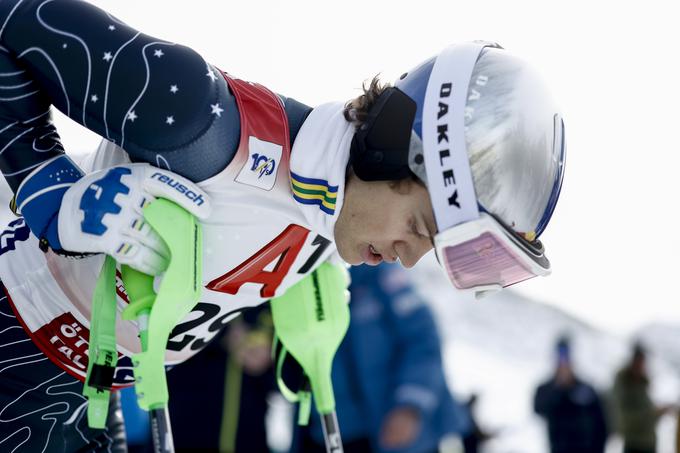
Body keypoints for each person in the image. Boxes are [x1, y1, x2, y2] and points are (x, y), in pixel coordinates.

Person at [0, 0, 566, 450]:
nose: (411, 257)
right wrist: (42, 179)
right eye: (420, 225)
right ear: (389, 146)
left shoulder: (327, 228)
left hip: (83, 402)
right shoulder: (206, 126)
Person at [294, 263, 469, 453]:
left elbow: (423, 341)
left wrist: (410, 404)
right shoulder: (296, 281)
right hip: (333, 430)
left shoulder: (382, 274)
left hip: (396, 427)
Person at [166, 304, 276, 452]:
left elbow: (297, 385)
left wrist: (271, 360)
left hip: (249, 436)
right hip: (183, 425)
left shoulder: (282, 289)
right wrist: (220, 335)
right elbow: (155, 334)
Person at [533, 335, 609, 453]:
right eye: (560, 358)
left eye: (566, 358)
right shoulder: (547, 389)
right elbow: (538, 409)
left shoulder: (586, 389)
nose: (564, 364)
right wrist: (558, 388)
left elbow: (602, 422)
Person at [611, 342, 676, 453]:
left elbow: (647, 415)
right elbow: (627, 420)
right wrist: (655, 413)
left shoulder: (642, 387)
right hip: (635, 445)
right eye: (639, 362)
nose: (642, 366)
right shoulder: (624, 389)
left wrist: (660, 412)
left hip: (648, 444)